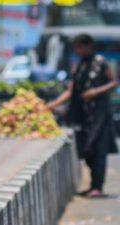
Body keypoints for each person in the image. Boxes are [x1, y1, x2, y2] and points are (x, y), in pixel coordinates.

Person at [47, 34, 118, 197]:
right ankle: (93, 185)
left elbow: (114, 82)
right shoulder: (78, 66)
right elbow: (70, 91)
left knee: (99, 150)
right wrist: (52, 105)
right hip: (83, 116)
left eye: (80, 47)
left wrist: (95, 91)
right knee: (87, 150)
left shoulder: (100, 62)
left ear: (88, 46)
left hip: (100, 116)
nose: (77, 50)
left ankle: (97, 187)